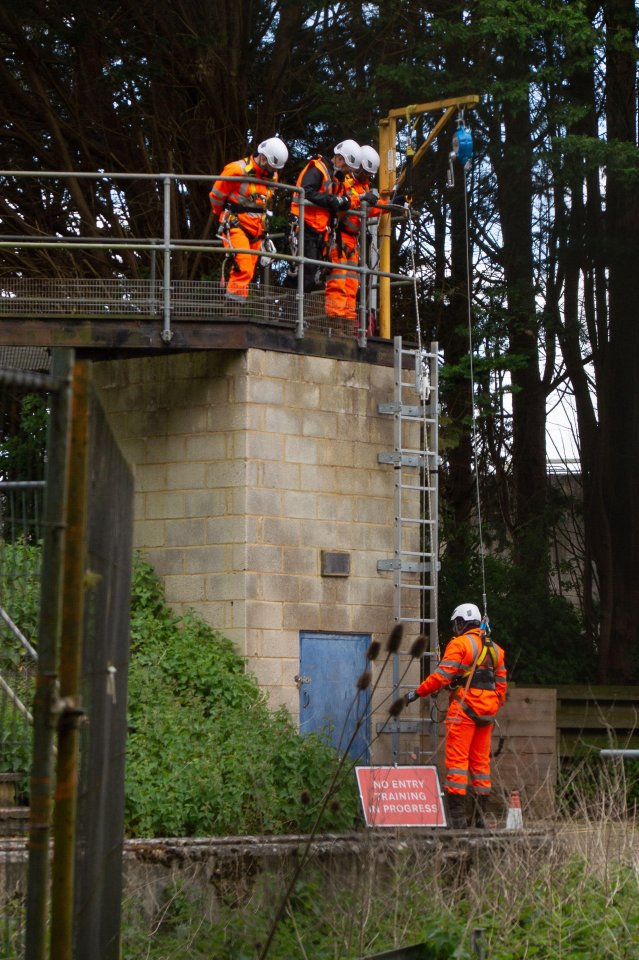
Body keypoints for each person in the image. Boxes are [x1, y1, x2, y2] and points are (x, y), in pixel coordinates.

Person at [405, 603, 507, 829]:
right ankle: (479, 820)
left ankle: (457, 821)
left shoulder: (460, 644)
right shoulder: (496, 650)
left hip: (464, 710)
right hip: (487, 714)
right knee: (481, 764)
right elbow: (501, 685)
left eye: (456, 624)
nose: (455, 629)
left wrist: (416, 693)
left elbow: (441, 676)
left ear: (461, 623)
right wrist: (492, 705)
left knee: (458, 763)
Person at [209, 137, 288, 304]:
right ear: (264, 158)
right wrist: (222, 217)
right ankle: (232, 311)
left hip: (257, 230)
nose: (273, 171)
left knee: (248, 271)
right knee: (243, 265)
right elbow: (216, 196)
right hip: (236, 224)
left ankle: (236, 309)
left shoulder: (272, 176)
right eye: (271, 167)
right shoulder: (236, 170)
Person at [283, 139, 359, 295]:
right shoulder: (317, 169)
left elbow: (342, 201)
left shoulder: (336, 178)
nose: (348, 174)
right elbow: (307, 192)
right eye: (347, 169)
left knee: (308, 273)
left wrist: (352, 200)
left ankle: (296, 313)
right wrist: (332, 200)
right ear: (340, 159)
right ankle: (294, 313)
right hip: (305, 226)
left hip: (318, 230)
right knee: (305, 272)